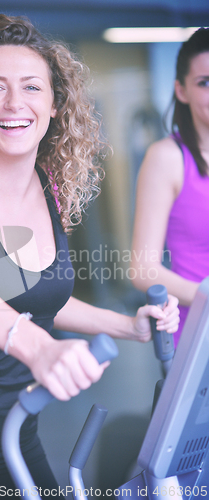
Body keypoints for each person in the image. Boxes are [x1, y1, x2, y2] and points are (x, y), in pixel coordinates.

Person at [0, 14, 179, 500]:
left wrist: (126, 326)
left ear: (54, 105)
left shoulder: (51, 192)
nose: (14, 103)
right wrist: (40, 348)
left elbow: (31, 296)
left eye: (31, 87)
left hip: (10, 428)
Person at [131, 28, 209, 347]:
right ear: (181, 90)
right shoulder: (168, 158)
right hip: (199, 336)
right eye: (205, 83)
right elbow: (142, 269)